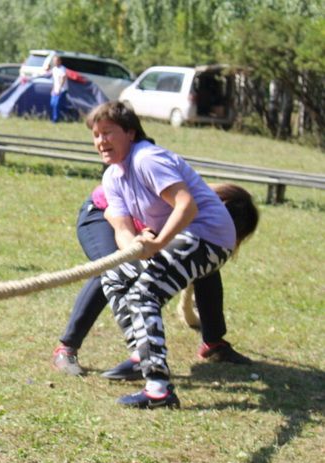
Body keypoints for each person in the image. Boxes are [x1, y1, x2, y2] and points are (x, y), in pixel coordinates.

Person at [87, 100, 239, 409]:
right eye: (96, 135)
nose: (101, 141)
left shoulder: (147, 159)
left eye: (108, 132)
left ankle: (158, 390)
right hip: (179, 238)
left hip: (209, 235)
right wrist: (134, 246)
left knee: (145, 294)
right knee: (115, 278)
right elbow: (121, 225)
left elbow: (186, 205)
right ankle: (142, 354)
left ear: (130, 132)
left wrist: (157, 244)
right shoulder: (112, 176)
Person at [52, 183, 257, 377]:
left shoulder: (205, 224)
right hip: (104, 214)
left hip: (142, 228)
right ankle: (67, 347)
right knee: (111, 268)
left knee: (205, 266)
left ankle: (213, 343)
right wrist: (135, 242)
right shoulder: (180, 206)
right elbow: (116, 216)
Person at [49, 55, 68, 123]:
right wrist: (53, 89)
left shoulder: (62, 69)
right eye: (54, 61)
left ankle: (55, 119)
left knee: (56, 104)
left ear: (60, 61)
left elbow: (63, 78)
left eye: (56, 61)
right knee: (52, 103)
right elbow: (55, 80)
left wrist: (59, 88)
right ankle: (56, 117)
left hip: (61, 90)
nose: (55, 62)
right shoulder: (54, 69)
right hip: (55, 89)